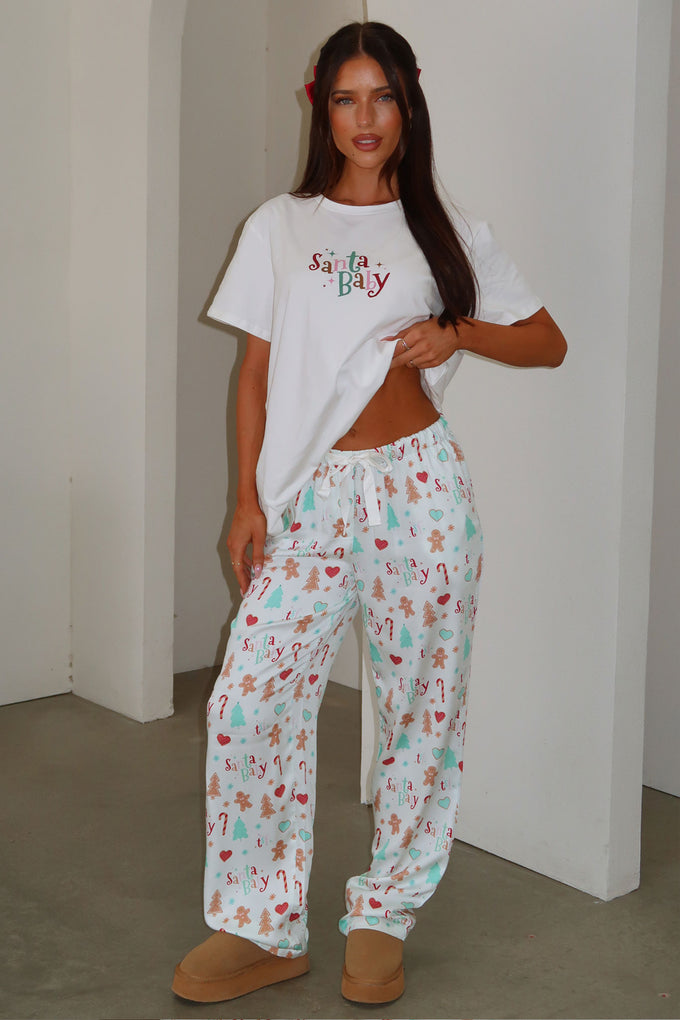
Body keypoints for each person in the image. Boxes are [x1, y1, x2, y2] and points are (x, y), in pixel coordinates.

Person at [171, 20, 566, 1007]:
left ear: (407, 105)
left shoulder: (444, 228)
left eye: (382, 96)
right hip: (308, 494)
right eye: (346, 98)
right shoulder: (280, 225)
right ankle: (260, 923)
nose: (365, 118)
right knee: (248, 698)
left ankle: (385, 911)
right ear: (321, 108)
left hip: (419, 489)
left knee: (421, 706)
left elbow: (545, 340)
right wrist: (244, 498)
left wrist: (456, 332)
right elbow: (253, 372)